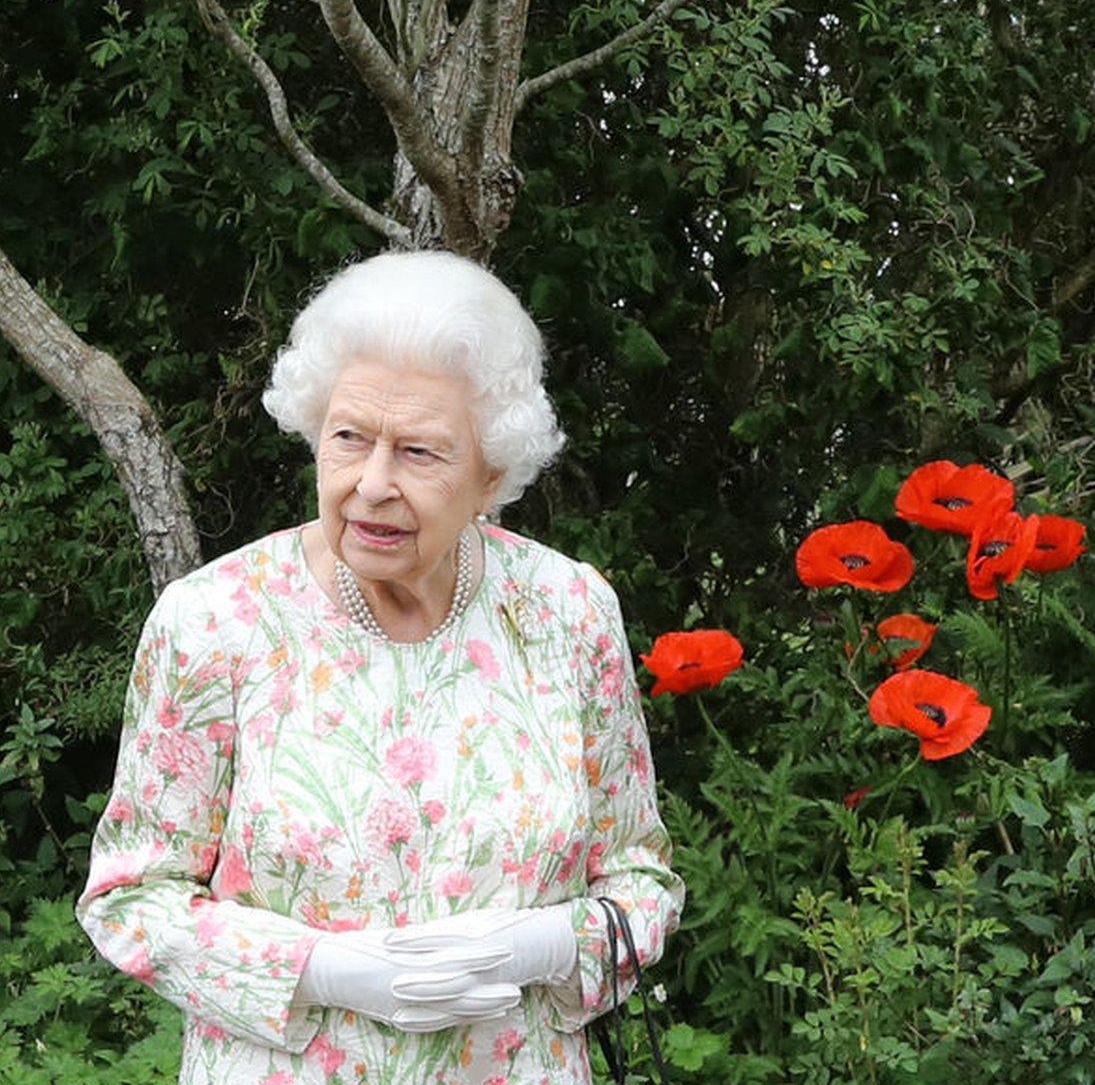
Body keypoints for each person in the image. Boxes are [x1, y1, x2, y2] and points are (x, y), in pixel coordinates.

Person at [77, 251, 685, 1084]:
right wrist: (323, 971)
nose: (371, 484)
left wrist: (543, 947)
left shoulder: (567, 611)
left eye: (420, 453)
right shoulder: (215, 621)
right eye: (349, 438)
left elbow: (641, 883)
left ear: (491, 474)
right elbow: (129, 898)